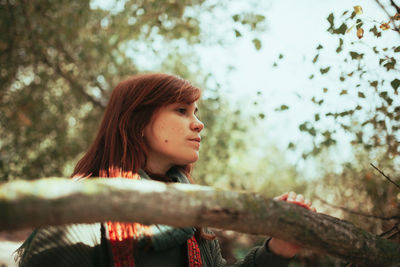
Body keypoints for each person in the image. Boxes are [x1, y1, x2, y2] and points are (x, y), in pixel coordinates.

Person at [16, 73, 315, 267]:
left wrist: (276, 249)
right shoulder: (78, 215)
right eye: (181, 110)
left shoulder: (194, 216)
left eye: (195, 113)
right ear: (137, 122)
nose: (198, 124)